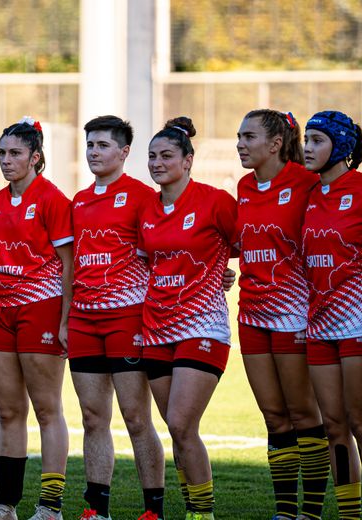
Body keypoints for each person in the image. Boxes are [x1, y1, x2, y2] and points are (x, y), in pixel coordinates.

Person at [0, 117, 72, 520]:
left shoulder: (52, 199)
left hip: (41, 309)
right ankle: (5, 505)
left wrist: (64, 322)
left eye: (15, 153)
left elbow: (68, 266)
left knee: (47, 410)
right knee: (8, 412)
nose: (6, 160)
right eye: (2, 153)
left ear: (35, 157)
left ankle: (50, 506)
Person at [138, 117, 237, 520]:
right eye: (152, 156)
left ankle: (202, 514)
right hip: (155, 327)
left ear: (188, 160)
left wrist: (224, 270)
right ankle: (193, 509)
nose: (157, 163)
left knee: (181, 424)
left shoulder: (216, 201)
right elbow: (146, 263)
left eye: (166, 156)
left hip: (203, 325)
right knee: (177, 430)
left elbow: (247, 243)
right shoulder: (146, 208)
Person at [69, 115, 165, 520]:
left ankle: (153, 511)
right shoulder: (78, 200)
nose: (94, 151)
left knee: (136, 417)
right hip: (82, 319)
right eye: (90, 144)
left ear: (124, 152)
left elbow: (166, 249)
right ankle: (97, 509)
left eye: (103, 145)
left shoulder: (143, 196)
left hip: (127, 319)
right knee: (93, 417)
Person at [234, 109, 329, 520]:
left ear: (275, 144)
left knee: (304, 413)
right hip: (251, 314)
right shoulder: (243, 186)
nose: (240, 144)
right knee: (274, 417)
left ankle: (311, 511)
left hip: (295, 314)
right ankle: (285, 511)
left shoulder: (306, 182)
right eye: (239, 136)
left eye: (248, 137)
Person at [302, 110, 362, 520]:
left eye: (317, 140)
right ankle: (350, 514)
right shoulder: (308, 194)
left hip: (360, 324)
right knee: (334, 426)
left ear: (340, 145)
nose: (307, 147)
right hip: (319, 325)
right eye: (306, 139)